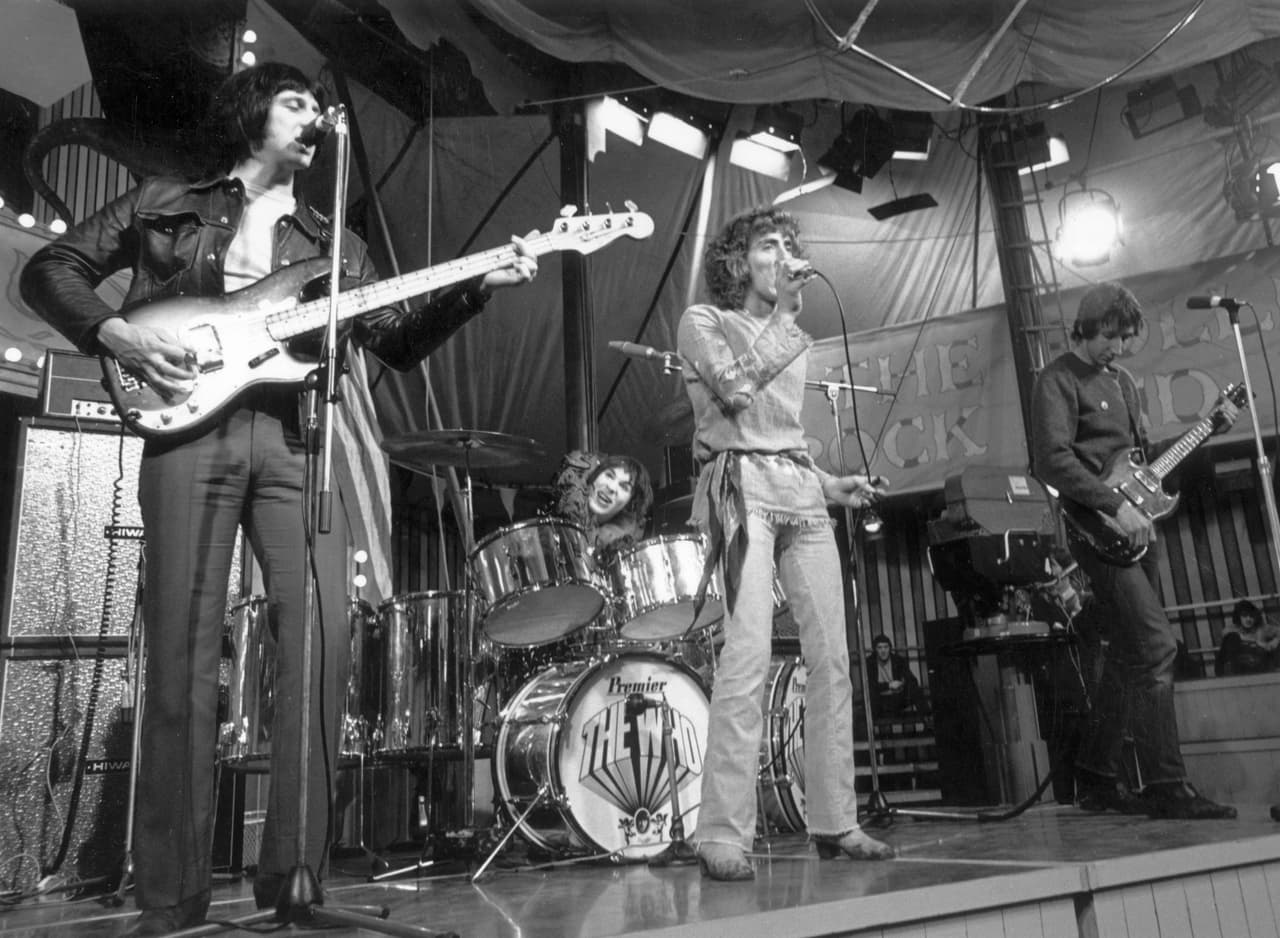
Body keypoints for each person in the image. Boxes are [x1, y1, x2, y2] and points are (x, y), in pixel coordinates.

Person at [20, 62, 537, 936]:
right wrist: (116, 336)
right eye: (297, 102)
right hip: (190, 432)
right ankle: (172, 898)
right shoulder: (166, 199)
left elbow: (395, 340)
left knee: (322, 644)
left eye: (317, 107)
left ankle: (296, 877)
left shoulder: (334, 243)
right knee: (182, 658)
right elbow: (51, 269)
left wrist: (478, 285)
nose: (313, 117)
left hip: (299, 439)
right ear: (253, 112)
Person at [676, 206, 893, 880]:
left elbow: (781, 437)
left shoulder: (789, 332)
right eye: (767, 245)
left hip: (800, 491)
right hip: (740, 490)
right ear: (737, 261)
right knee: (746, 656)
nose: (783, 255)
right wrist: (786, 315)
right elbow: (737, 394)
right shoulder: (704, 322)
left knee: (831, 661)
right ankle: (722, 832)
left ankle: (835, 819)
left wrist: (831, 484)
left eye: (788, 245)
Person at [1030, 281, 1238, 821]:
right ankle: (1166, 785)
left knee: (1128, 655)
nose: (1117, 348)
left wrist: (1209, 428)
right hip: (1096, 528)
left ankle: (1097, 776)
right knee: (1157, 646)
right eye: (1109, 337)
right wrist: (1112, 506)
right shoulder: (1056, 379)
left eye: (1124, 339)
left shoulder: (1122, 382)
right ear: (1085, 327)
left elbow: (1142, 462)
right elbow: (1051, 460)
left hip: (1140, 528)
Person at [547, 449, 654, 562]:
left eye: (624, 487)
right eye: (609, 476)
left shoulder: (623, 550)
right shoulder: (554, 517)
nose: (611, 487)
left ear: (629, 505)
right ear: (594, 477)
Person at [865, 634, 925, 719]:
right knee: (870, 696)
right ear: (875, 649)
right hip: (879, 700)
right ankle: (871, 725)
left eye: (886, 647)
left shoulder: (898, 660)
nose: (883, 651)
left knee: (916, 690)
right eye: (879, 647)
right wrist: (889, 685)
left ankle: (928, 719)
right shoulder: (869, 662)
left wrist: (902, 684)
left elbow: (913, 680)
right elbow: (869, 686)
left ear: (890, 648)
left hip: (897, 698)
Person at [1215, 599, 1280, 676]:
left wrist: (1273, 643)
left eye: (1251, 616)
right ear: (1238, 617)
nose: (1248, 619)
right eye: (1244, 615)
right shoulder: (1232, 630)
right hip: (1240, 666)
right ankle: (1224, 676)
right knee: (1231, 638)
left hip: (1259, 664)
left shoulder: (1262, 628)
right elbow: (1225, 637)